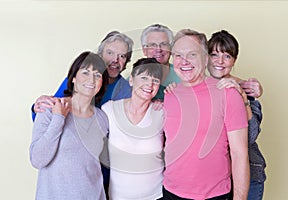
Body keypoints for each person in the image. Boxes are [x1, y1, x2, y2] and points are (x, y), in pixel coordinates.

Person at [163, 29, 250, 200]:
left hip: (214, 195)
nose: (184, 61)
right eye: (178, 55)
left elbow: (240, 154)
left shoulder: (227, 93)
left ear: (205, 58)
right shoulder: (169, 95)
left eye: (192, 54)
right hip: (170, 192)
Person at [29, 51, 109, 199]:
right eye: (85, 72)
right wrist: (59, 118)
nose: (91, 79)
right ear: (73, 78)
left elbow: (94, 165)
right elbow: (37, 159)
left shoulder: (102, 117)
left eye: (97, 75)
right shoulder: (49, 108)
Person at [207, 30, 266, 200]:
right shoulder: (199, 87)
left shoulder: (246, 88)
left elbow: (251, 135)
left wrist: (241, 96)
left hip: (249, 176)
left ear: (234, 60)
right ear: (206, 57)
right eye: (214, 54)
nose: (220, 61)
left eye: (227, 56)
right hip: (215, 179)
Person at [31, 31, 134, 121]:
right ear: (100, 55)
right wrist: (38, 107)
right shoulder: (78, 80)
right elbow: (46, 115)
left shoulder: (128, 91)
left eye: (122, 56)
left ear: (126, 62)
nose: (115, 60)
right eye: (110, 53)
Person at [102, 58, 165, 200]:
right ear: (131, 80)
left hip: (157, 196)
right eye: (144, 78)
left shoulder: (162, 113)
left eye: (155, 80)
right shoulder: (109, 110)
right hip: (118, 197)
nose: (150, 84)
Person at [141, 24, 181, 100]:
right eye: (153, 45)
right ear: (144, 50)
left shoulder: (184, 76)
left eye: (163, 44)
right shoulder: (134, 79)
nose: (158, 49)